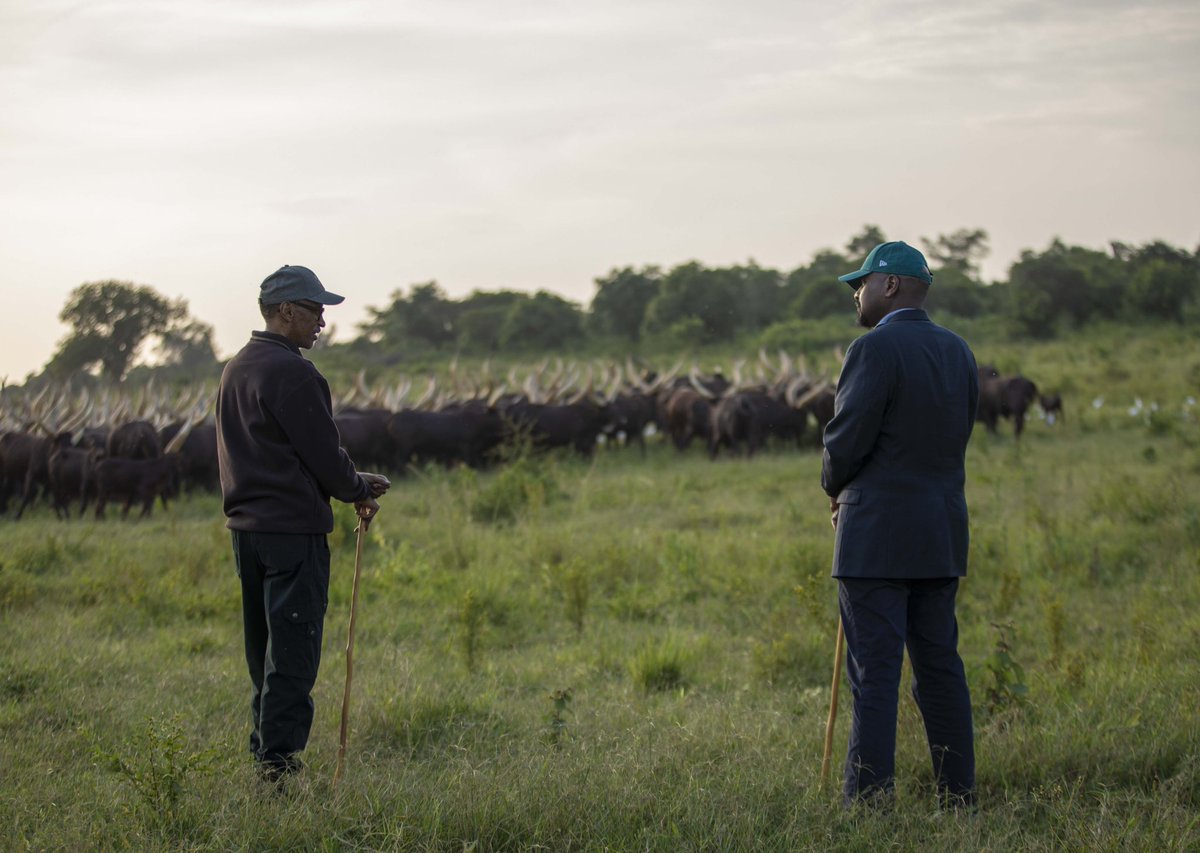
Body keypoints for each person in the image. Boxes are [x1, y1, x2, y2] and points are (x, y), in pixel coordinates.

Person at [216, 264, 390, 784]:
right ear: (286, 311)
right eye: (315, 310)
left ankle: (263, 759)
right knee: (292, 658)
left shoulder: (237, 367)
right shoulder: (294, 373)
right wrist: (356, 489)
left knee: (263, 654)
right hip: (293, 535)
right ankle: (279, 776)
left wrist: (351, 479)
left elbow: (278, 452)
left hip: (248, 534)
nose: (321, 322)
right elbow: (321, 454)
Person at [821, 241, 979, 808]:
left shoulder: (873, 349)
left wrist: (835, 488)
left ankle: (868, 805)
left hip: (875, 540)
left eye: (860, 283)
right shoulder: (959, 351)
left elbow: (846, 440)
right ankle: (959, 799)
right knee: (940, 670)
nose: (855, 294)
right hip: (939, 533)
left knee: (876, 676)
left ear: (889, 285)